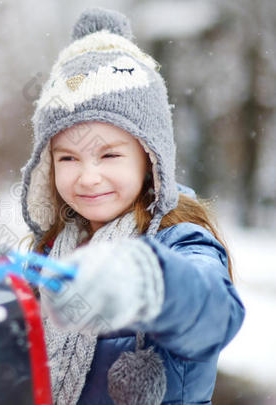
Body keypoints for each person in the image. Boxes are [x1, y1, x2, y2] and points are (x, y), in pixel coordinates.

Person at [19, 7, 245, 405]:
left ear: (149, 158)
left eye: (108, 156)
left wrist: (148, 282)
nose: (87, 177)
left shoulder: (181, 240)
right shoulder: (52, 249)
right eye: (67, 158)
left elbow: (216, 314)